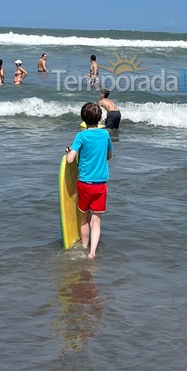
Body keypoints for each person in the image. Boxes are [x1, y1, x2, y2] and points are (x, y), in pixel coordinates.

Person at [64, 102, 112, 259]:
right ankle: (92, 252)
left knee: (84, 218)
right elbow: (109, 156)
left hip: (84, 184)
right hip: (100, 185)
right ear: (100, 118)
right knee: (96, 221)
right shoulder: (105, 135)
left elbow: (70, 160)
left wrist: (69, 152)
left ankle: (84, 247)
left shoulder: (81, 136)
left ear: (82, 119)